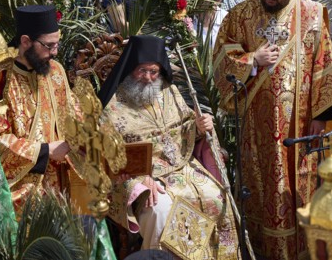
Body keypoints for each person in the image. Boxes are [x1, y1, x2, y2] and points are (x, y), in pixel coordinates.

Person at [212, 0, 332, 259]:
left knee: (298, 197)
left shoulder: (311, 14)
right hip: (256, 131)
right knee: (260, 198)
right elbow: (219, 61)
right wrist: (252, 61)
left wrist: (320, 117)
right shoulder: (240, 15)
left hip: (299, 130)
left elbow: (325, 65)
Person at [98, 35, 240, 257]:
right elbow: (105, 149)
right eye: (142, 70)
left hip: (183, 167)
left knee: (216, 197)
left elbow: (185, 126)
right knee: (161, 210)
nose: (147, 77)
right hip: (143, 177)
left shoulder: (169, 91)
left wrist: (201, 127)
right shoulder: (113, 105)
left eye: (153, 71)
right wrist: (138, 175)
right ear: (131, 67)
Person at [0, 5, 84, 214]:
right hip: (22, 188)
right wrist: (45, 151)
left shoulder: (55, 71)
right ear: (26, 41)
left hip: (64, 181)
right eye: (49, 46)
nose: (54, 53)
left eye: (57, 44)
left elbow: (75, 114)